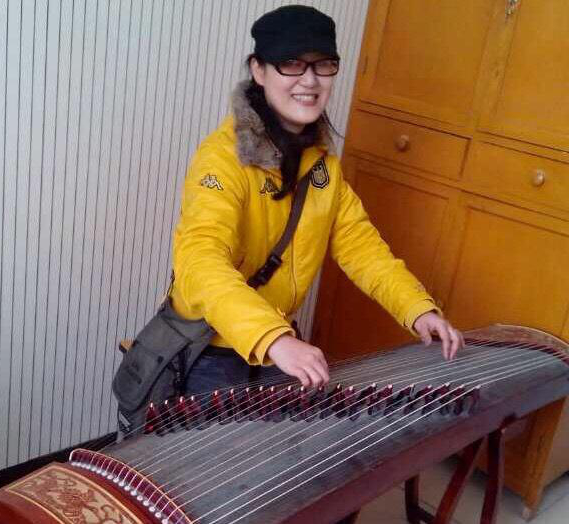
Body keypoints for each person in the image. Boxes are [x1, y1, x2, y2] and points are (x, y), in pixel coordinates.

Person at [169, 5, 464, 396]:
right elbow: (200, 261)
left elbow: (360, 246)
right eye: (291, 63)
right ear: (259, 70)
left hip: (276, 342)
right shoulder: (223, 158)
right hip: (213, 348)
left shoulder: (320, 161)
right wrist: (274, 338)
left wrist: (417, 308)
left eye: (323, 64)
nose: (309, 80)